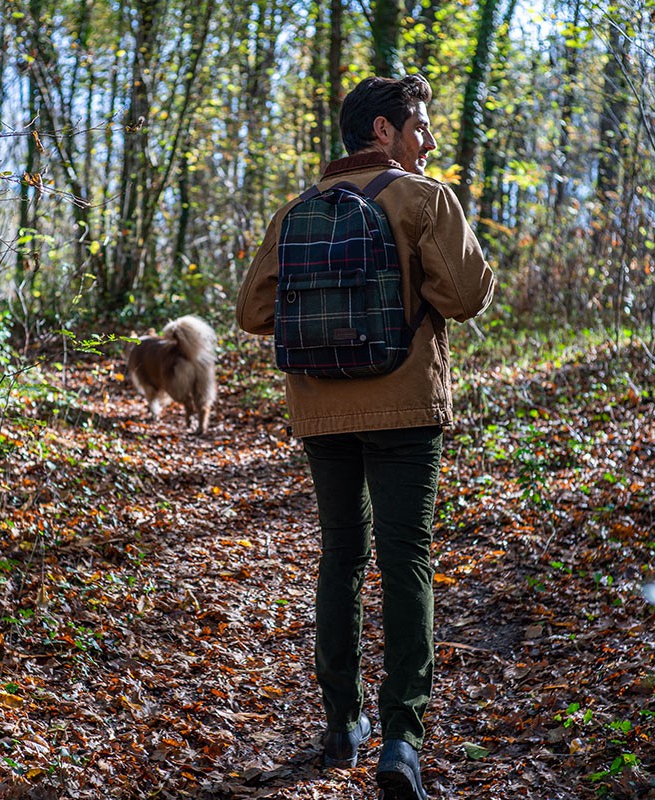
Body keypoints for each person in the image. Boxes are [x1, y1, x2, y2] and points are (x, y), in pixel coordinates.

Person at [236, 74, 494, 800]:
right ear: (383, 131)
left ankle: (340, 724)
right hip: (405, 407)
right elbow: (467, 296)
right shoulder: (423, 198)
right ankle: (403, 739)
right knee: (406, 554)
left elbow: (254, 312)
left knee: (341, 556)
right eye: (419, 125)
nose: (429, 140)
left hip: (322, 412)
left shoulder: (296, 210)